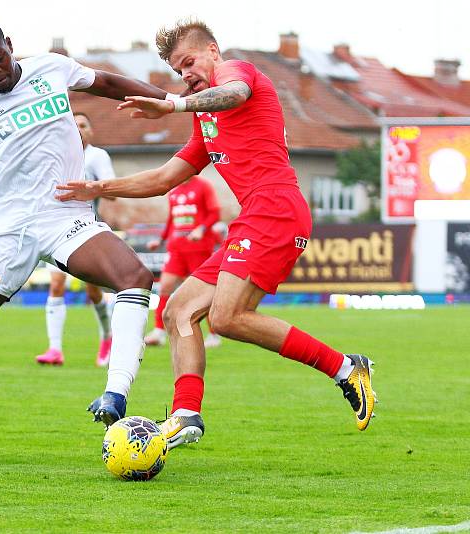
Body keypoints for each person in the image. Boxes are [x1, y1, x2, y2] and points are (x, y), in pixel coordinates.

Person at [57, 18, 377, 448]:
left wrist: (171, 104)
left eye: (189, 62)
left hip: (276, 211)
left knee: (225, 318)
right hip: (255, 216)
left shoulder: (237, 73)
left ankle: (346, 368)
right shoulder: (206, 118)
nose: (186, 74)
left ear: (212, 50)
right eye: (178, 71)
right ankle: (186, 412)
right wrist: (99, 188)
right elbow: (167, 176)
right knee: (178, 311)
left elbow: (236, 94)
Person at [0, 16, 172, 458]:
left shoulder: (51, 68)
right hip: (10, 228)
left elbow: (108, 82)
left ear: (9, 45)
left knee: (135, 275)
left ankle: (115, 394)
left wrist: (173, 103)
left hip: (65, 215)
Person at [35, 112, 115, 367]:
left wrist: (93, 187)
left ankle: (107, 337)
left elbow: (112, 191)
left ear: (91, 131)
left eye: (83, 124)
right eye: (74, 124)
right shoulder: (55, 155)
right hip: (55, 230)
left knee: (93, 291)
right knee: (56, 285)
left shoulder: (97, 156)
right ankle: (54, 349)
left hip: (85, 230)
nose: (78, 129)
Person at [143, 175, 222, 349]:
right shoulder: (174, 190)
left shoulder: (203, 186)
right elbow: (172, 219)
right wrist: (160, 240)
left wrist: (201, 229)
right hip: (176, 249)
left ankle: (214, 335)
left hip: (198, 248)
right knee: (165, 286)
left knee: (204, 293)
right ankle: (159, 331)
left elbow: (215, 213)